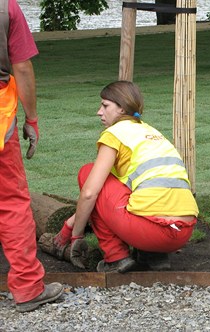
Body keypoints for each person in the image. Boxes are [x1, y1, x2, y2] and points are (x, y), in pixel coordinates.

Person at [53, 81, 199, 273]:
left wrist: (75, 235)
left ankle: (115, 257)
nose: (99, 112)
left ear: (121, 108)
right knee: (129, 189)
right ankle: (152, 256)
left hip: (150, 232)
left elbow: (90, 194)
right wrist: (71, 221)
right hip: (183, 232)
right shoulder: (151, 132)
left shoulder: (115, 133)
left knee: (88, 173)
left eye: (105, 105)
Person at [0, 0, 64, 313]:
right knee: (10, 203)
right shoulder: (7, 7)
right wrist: (32, 119)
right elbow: (22, 66)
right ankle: (27, 288)